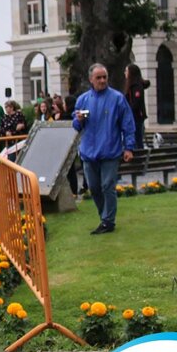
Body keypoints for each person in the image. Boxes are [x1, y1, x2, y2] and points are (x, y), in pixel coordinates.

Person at [72, 63, 135, 234]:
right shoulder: (83, 99)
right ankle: (104, 217)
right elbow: (76, 125)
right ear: (91, 79)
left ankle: (108, 221)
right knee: (94, 187)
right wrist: (78, 119)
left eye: (104, 77)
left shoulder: (117, 98)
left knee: (108, 186)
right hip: (88, 152)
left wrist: (128, 147)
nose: (102, 80)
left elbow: (127, 124)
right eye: (98, 78)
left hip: (110, 151)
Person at [125, 64, 150, 149]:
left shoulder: (136, 87)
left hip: (136, 117)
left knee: (137, 138)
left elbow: (135, 103)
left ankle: (139, 157)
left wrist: (127, 113)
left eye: (126, 71)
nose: (125, 73)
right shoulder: (131, 86)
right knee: (136, 138)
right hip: (134, 117)